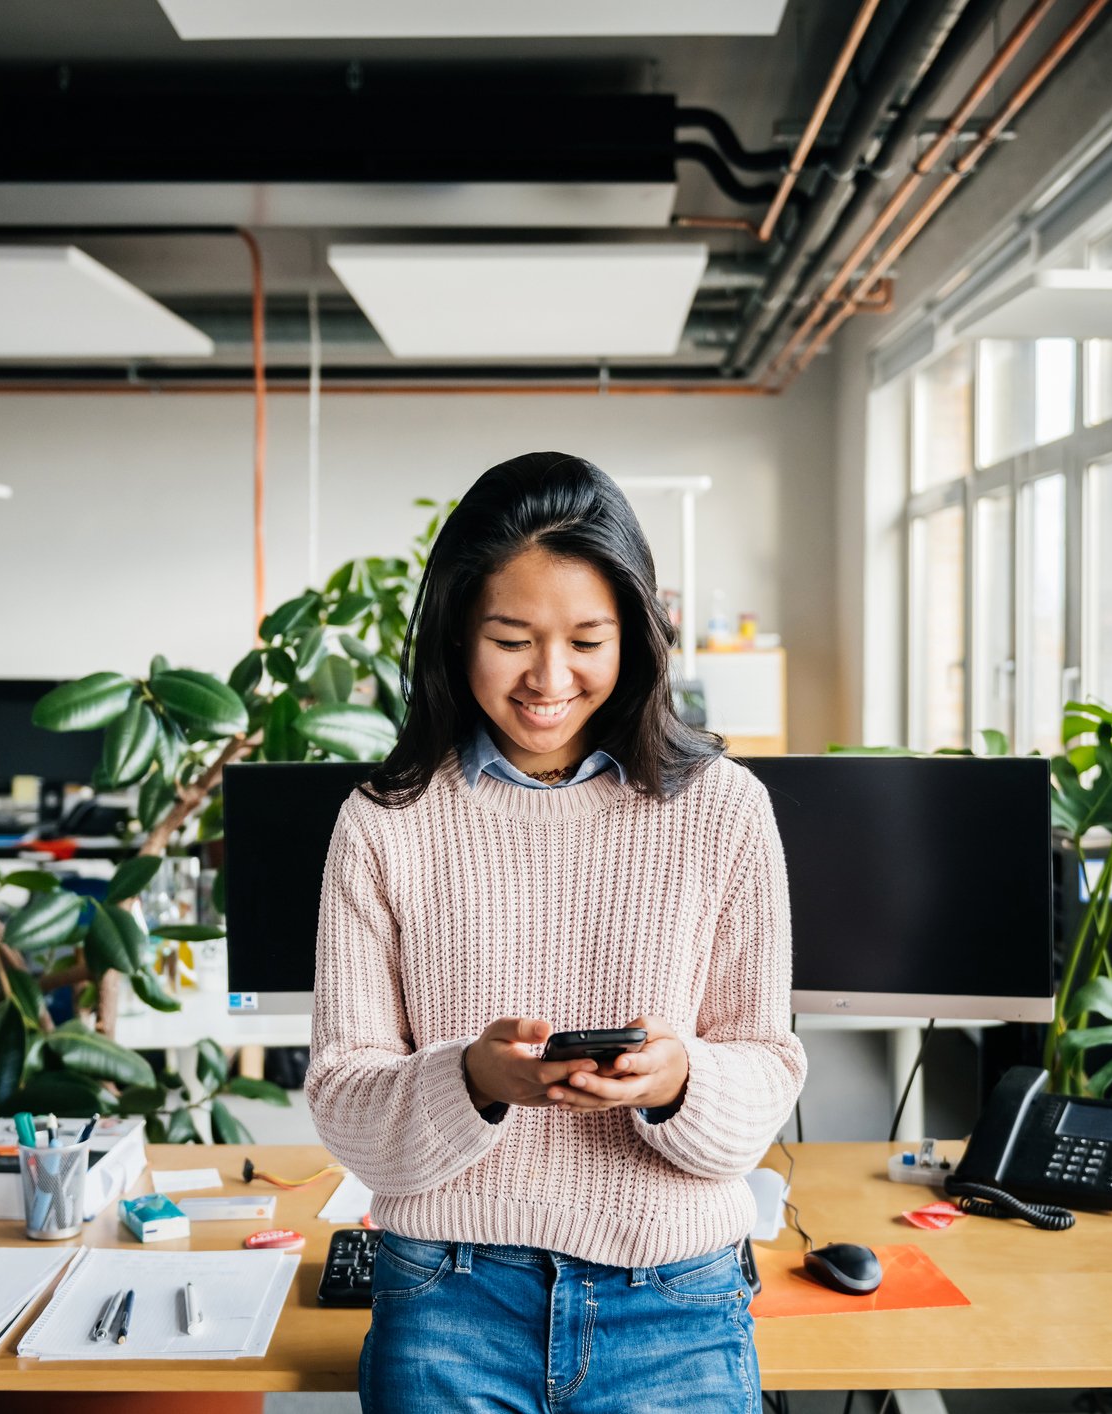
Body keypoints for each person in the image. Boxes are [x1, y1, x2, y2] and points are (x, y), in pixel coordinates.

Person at [306, 451, 807, 1413]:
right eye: (510, 637)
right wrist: (473, 1080)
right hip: (446, 1296)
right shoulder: (383, 822)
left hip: (673, 1302)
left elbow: (768, 1068)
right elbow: (343, 1098)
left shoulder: (723, 810)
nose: (549, 677)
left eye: (587, 638)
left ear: (636, 638)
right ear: (458, 633)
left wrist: (679, 1079)